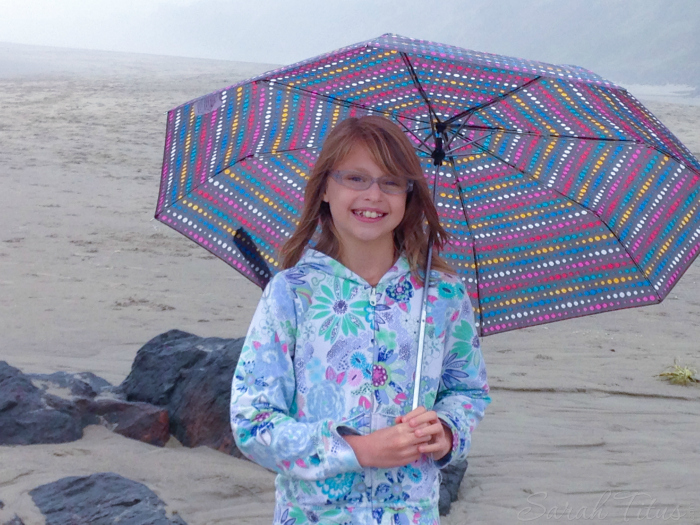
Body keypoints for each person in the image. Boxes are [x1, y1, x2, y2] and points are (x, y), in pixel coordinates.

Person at [230, 116, 490, 525]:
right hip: (312, 516)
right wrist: (357, 450)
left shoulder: (442, 295)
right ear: (325, 189)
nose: (374, 195)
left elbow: (469, 391)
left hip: (412, 515)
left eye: (391, 182)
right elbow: (252, 420)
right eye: (356, 178)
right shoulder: (292, 293)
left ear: (409, 195)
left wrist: (445, 431)